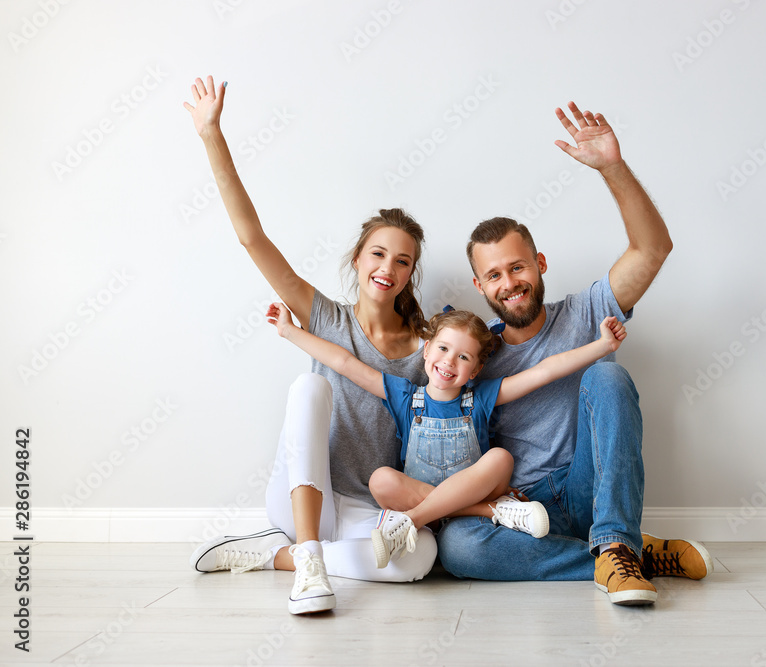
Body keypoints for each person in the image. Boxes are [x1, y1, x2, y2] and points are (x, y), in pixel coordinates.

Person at [434, 102, 714, 606]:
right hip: (526, 508)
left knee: (606, 376)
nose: (509, 283)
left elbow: (652, 250)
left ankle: (612, 539)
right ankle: (623, 557)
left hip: (592, 488)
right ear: (480, 286)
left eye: (517, 267)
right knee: (457, 549)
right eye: (494, 275)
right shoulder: (475, 354)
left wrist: (612, 167)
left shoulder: (585, 310)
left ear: (539, 264)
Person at [182, 76, 437, 615]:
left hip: (369, 507)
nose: (387, 268)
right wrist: (212, 136)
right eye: (378, 254)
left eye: (402, 260)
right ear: (358, 259)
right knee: (308, 385)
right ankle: (308, 555)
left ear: (412, 273)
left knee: (420, 560)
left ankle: (286, 557)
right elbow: (252, 237)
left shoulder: (425, 347)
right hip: (308, 495)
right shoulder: (323, 316)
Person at [266, 302, 629, 569]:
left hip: (448, 520)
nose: (449, 362)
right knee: (381, 479)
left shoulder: (482, 397)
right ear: (427, 351)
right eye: (443, 349)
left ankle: (411, 521)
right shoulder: (405, 396)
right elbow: (344, 362)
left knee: (501, 458)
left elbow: (545, 371)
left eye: (464, 357)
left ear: (475, 370)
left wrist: (602, 346)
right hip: (448, 510)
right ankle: (496, 511)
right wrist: (288, 331)